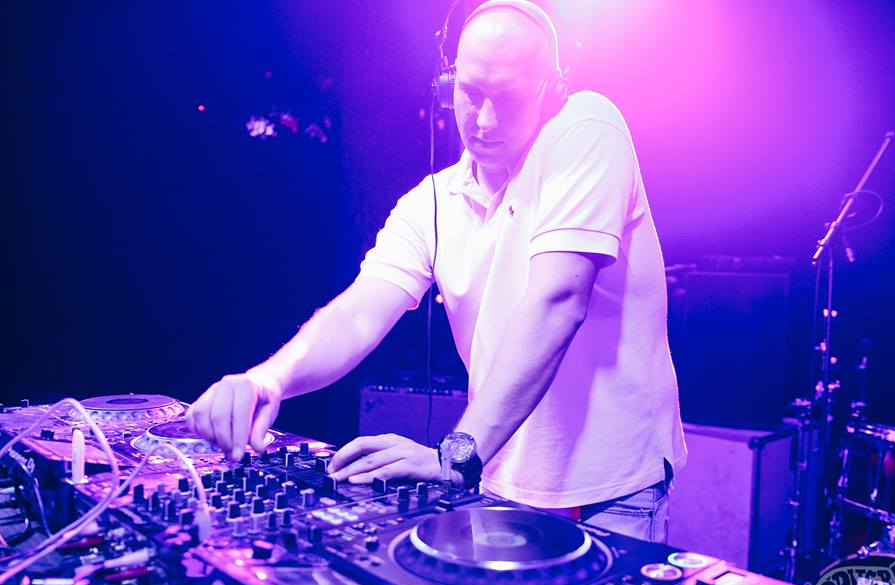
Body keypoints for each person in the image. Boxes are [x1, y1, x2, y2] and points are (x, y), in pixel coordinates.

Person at [185, 0, 685, 542]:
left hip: (609, 487)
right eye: (470, 93)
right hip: (496, 473)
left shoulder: (587, 128)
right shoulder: (431, 202)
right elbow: (358, 313)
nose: (484, 120)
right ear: (447, 82)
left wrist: (455, 456)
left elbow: (558, 300)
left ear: (553, 88)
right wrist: (269, 379)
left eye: (509, 97)